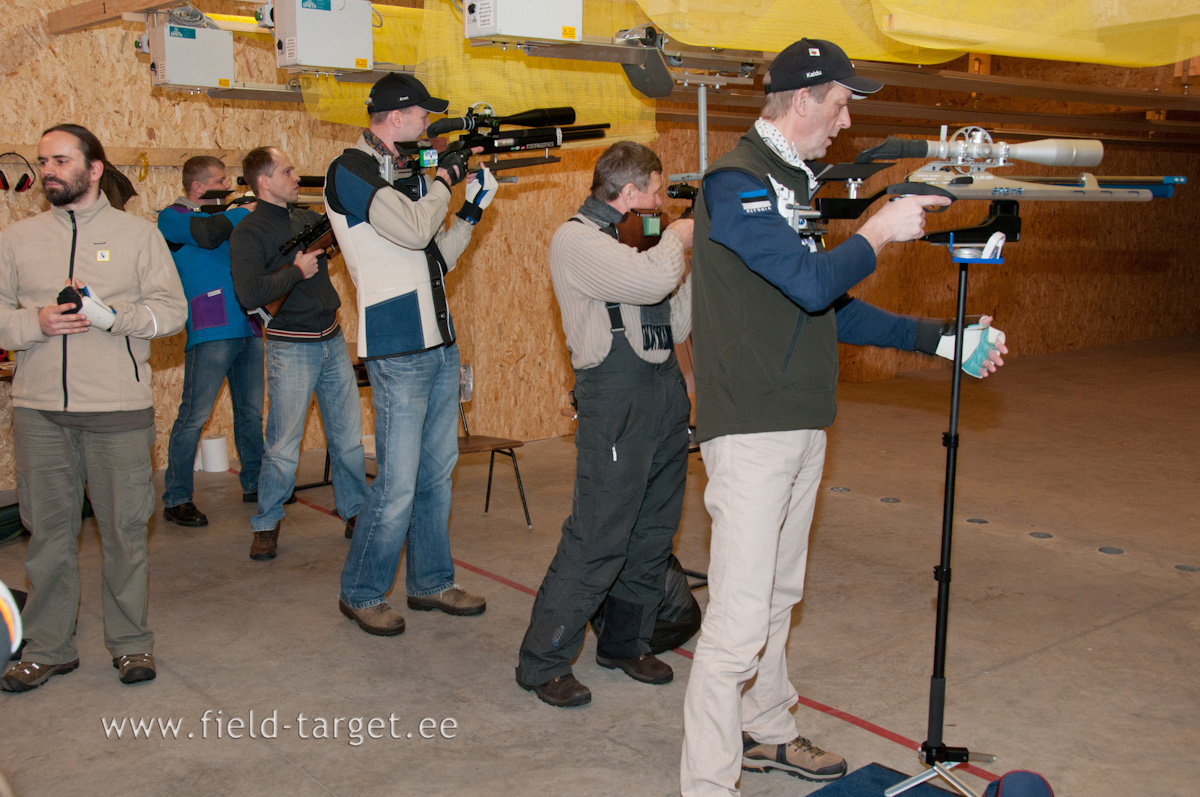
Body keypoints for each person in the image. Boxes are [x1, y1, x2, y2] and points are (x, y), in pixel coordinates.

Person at [680, 39, 1008, 793]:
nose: (846, 120)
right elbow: (807, 280)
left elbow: (825, 303)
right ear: (802, 100)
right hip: (752, 430)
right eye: (839, 103)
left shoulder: (789, 182)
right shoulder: (736, 182)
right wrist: (877, 232)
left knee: (778, 597)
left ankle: (767, 728)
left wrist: (941, 339)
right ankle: (707, 784)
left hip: (799, 422)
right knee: (736, 623)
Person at [0, 123, 187, 691]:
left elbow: (172, 312)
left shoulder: (139, 235)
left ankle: (130, 644)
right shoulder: (17, 238)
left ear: (95, 168)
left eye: (60, 160)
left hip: (116, 411)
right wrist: (34, 323)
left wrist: (113, 318)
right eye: (43, 162)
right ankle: (48, 648)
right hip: (38, 411)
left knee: (125, 534)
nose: (48, 171)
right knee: (46, 537)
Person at [514, 141, 694, 707]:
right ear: (630, 191)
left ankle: (625, 643)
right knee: (599, 534)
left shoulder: (642, 247)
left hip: (663, 393)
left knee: (652, 532)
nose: (661, 204)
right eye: (656, 192)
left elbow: (676, 320)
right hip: (615, 400)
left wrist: (684, 260)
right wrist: (677, 240)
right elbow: (647, 283)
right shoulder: (577, 240)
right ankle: (544, 661)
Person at [323, 73, 490, 636]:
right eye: (422, 115)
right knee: (397, 483)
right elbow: (417, 231)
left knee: (437, 475)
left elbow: (434, 258)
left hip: (439, 343)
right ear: (395, 117)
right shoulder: (350, 171)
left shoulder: (404, 175)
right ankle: (361, 591)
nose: (428, 124)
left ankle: (431, 582)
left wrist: (472, 210)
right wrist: (444, 181)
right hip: (397, 347)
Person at [230, 147, 366, 562]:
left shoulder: (306, 219)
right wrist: (296, 271)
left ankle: (355, 512)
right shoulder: (248, 232)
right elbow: (249, 293)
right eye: (286, 171)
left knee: (348, 441)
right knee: (282, 447)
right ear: (264, 182)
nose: (295, 177)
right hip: (290, 347)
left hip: (331, 339)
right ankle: (266, 523)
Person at [158, 156, 263, 527]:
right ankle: (176, 499)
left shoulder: (226, 216)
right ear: (198, 187)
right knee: (194, 417)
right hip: (211, 327)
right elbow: (207, 234)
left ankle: (256, 483)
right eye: (220, 181)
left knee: (250, 414)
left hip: (248, 324)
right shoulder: (172, 217)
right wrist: (244, 211)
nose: (227, 187)